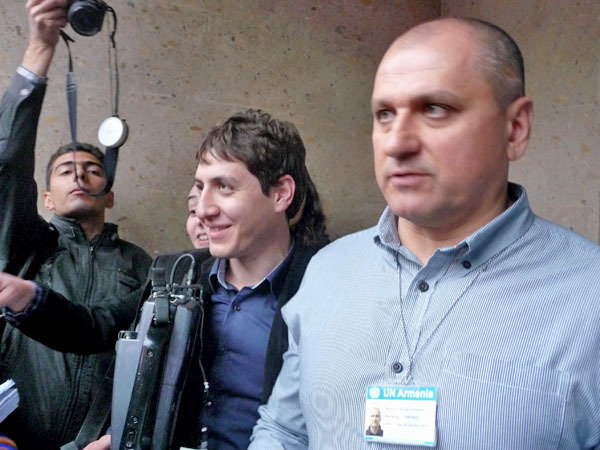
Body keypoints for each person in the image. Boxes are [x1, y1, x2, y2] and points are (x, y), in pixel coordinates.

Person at [249, 17, 600, 449]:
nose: (397, 143)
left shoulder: (590, 299)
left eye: (435, 109)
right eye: (384, 114)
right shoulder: (327, 273)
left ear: (515, 128)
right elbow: (285, 430)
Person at [84, 109, 329, 450]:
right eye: (200, 187)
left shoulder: (327, 288)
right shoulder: (175, 274)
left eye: (224, 187)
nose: (202, 209)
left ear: (280, 193)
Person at [0, 1, 152, 449]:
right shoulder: (26, 243)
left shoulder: (141, 264)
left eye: (92, 169)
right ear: (46, 197)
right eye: (66, 171)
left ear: (110, 194)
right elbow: (7, 163)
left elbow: (152, 359)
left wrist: (118, 435)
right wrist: (40, 47)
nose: (80, 175)